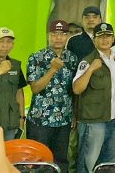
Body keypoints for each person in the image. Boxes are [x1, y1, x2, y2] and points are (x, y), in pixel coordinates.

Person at [72, 23, 115, 173]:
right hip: (93, 121)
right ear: (94, 40)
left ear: (113, 38)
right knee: (87, 163)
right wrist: (91, 69)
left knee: (111, 163)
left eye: (108, 36)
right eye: (100, 37)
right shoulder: (87, 60)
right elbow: (77, 89)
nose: (105, 40)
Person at [26, 20, 78, 171]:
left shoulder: (72, 58)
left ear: (67, 36)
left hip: (64, 119)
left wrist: (74, 115)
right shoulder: (36, 58)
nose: (58, 38)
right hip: (40, 120)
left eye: (62, 34)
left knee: (61, 161)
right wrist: (52, 70)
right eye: (54, 34)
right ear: (48, 35)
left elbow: (73, 90)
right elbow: (35, 88)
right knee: (39, 161)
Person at [0, 27, 27, 141]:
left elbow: (19, 92)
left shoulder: (16, 65)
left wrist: (22, 117)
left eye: (9, 42)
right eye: (0, 41)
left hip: (10, 122)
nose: (5, 45)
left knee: (9, 151)